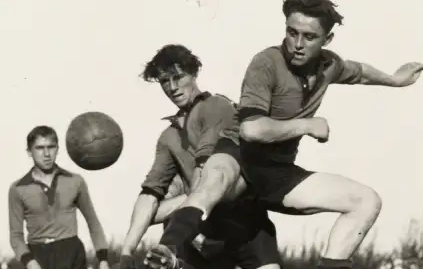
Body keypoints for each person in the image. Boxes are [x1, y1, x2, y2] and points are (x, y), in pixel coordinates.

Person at [226, 0, 423, 269]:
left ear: (327, 39)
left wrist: (396, 80)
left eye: (309, 37)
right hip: (239, 178)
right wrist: (306, 125)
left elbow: (359, 73)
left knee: (366, 201)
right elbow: (251, 129)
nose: (297, 44)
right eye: (291, 32)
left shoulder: (328, 65)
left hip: (277, 179)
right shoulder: (266, 62)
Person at [119, 44, 281, 269]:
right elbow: (150, 194)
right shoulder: (169, 137)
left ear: (194, 73)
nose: (173, 87)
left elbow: (203, 177)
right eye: (165, 81)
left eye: (178, 77)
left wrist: (180, 210)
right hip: (207, 231)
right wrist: (126, 252)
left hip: (247, 225)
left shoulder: (215, 107)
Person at [8, 126, 110, 269]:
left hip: (72, 253)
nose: (46, 154)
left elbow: (93, 223)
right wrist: (30, 262)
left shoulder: (75, 181)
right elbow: (16, 236)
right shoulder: (17, 188)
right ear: (29, 152)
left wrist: (103, 260)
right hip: (38, 256)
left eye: (51, 147)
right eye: (39, 148)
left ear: (58, 149)